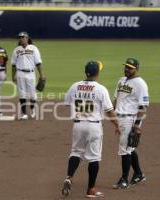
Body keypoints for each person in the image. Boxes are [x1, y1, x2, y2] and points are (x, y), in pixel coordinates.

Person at [61, 61, 120, 198]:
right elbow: (110, 111)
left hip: (78, 125)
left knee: (76, 152)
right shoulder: (100, 89)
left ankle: (69, 177)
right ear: (97, 73)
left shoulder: (74, 86)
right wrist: (117, 125)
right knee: (94, 158)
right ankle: (91, 189)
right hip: (93, 126)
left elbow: (67, 104)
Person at [113, 58, 149, 189]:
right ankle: (139, 174)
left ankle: (124, 179)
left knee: (124, 150)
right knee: (130, 148)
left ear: (136, 69)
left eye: (130, 67)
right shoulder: (121, 80)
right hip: (120, 118)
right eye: (126, 66)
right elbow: (116, 99)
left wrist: (137, 126)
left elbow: (143, 107)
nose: (127, 69)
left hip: (131, 119)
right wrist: (114, 120)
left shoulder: (140, 84)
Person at [11, 31, 45, 120]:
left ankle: (32, 109)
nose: (21, 39)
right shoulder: (16, 50)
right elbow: (13, 65)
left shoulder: (34, 48)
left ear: (27, 38)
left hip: (31, 73)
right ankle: (24, 113)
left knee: (33, 95)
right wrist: (13, 76)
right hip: (20, 73)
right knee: (22, 94)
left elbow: (38, 63)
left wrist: (42, 74)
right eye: (20, 37)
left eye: (23, 37)